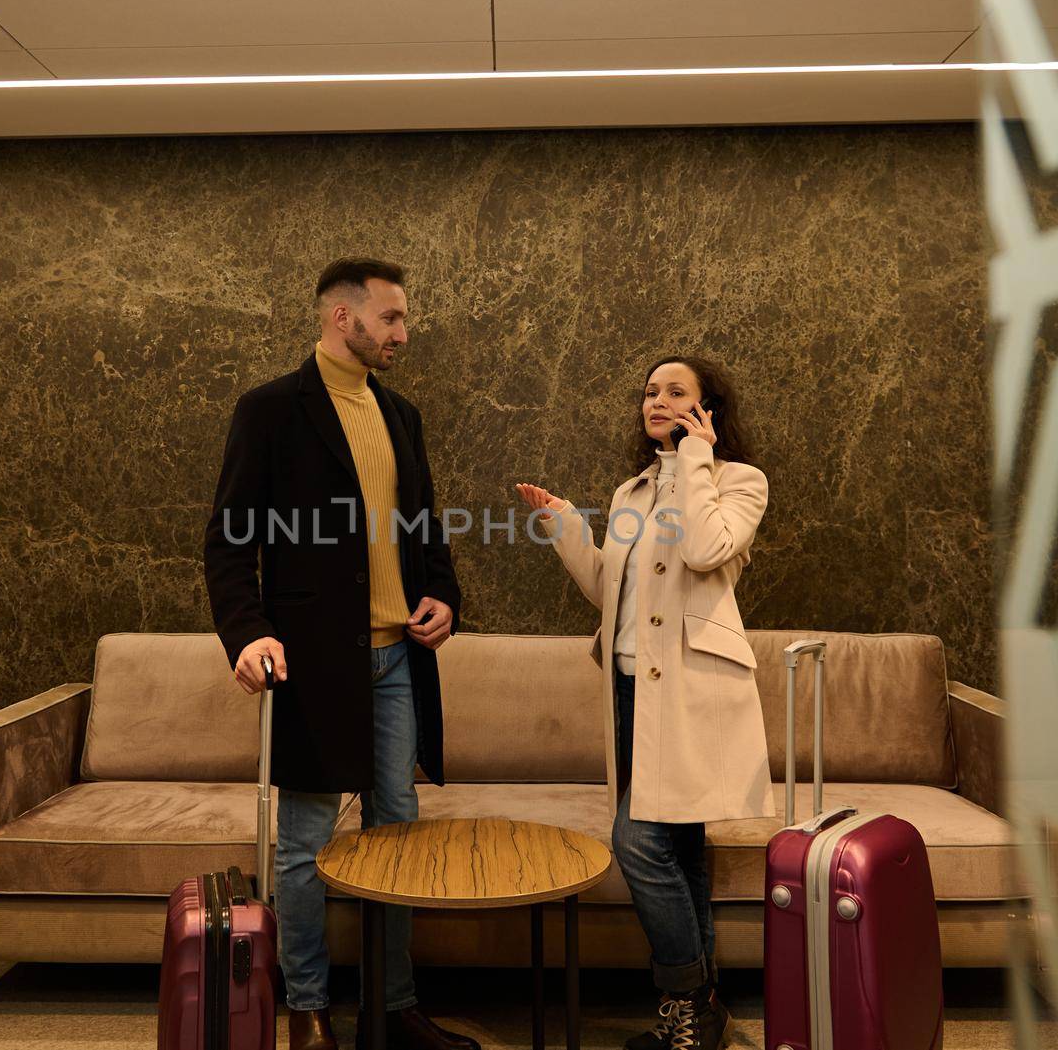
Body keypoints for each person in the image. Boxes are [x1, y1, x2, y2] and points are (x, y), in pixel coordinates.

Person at [204, 257, 476, 1050]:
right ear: (340, 317)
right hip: (315, 665)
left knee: (398, 830)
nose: (403, 332)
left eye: (402, 317)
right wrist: (246, 630)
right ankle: (310, 1011)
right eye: (390, 317)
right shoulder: (270, 411)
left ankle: (392, 1009)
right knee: (305, 844)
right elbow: (228, 539)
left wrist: (445, 594)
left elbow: (424, 522)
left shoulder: (402, 415)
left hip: (399, 663)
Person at [515, 355, 773, 1050]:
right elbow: (613, 592)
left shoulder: (738, 482)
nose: (657, 399)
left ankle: (684, 995)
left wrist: (696, 455)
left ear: (707, 407)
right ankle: (705, 1007)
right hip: (630, 689)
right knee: (680, 845)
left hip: (692, 694)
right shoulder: (632, 492)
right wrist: (567, 524)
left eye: (676, 391)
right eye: (651, 391)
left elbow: (704, 548)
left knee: (637, 840)